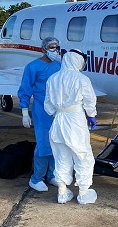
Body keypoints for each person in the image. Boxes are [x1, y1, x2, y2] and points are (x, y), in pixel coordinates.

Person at [44, 49, 98, 205]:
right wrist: (91, 115)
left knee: (61, 156)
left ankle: (62, 192)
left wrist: (59, 113)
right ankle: (83, 193)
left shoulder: (52, 79)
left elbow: (47, 105)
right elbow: (89, 99)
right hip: (75, 121)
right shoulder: (82, 79)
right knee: (82, 156)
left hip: (58, 121)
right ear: (78, 61)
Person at [17, 36, 62, 192]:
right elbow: (25, 90)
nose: (54, 50)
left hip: (57, 111)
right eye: (51, 47)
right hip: (41, 111)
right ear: (43, 49)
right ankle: (36, 178)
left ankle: (51, 175)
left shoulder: (60, 66)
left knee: (56, 144)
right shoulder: (33, 67)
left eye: (56, 47)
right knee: (43, 145)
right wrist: (24, 112)